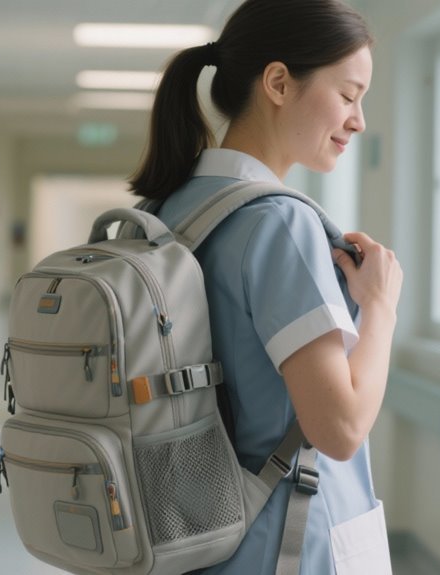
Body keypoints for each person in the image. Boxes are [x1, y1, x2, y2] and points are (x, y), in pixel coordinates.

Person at [128, 0, 402, 573]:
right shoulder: (280, 223)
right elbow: (340, 428)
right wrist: (380, 307)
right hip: (284, 546)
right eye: (349, 95)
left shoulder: (171, 210)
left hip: (198, 538)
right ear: (278, 82)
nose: (359, 120)